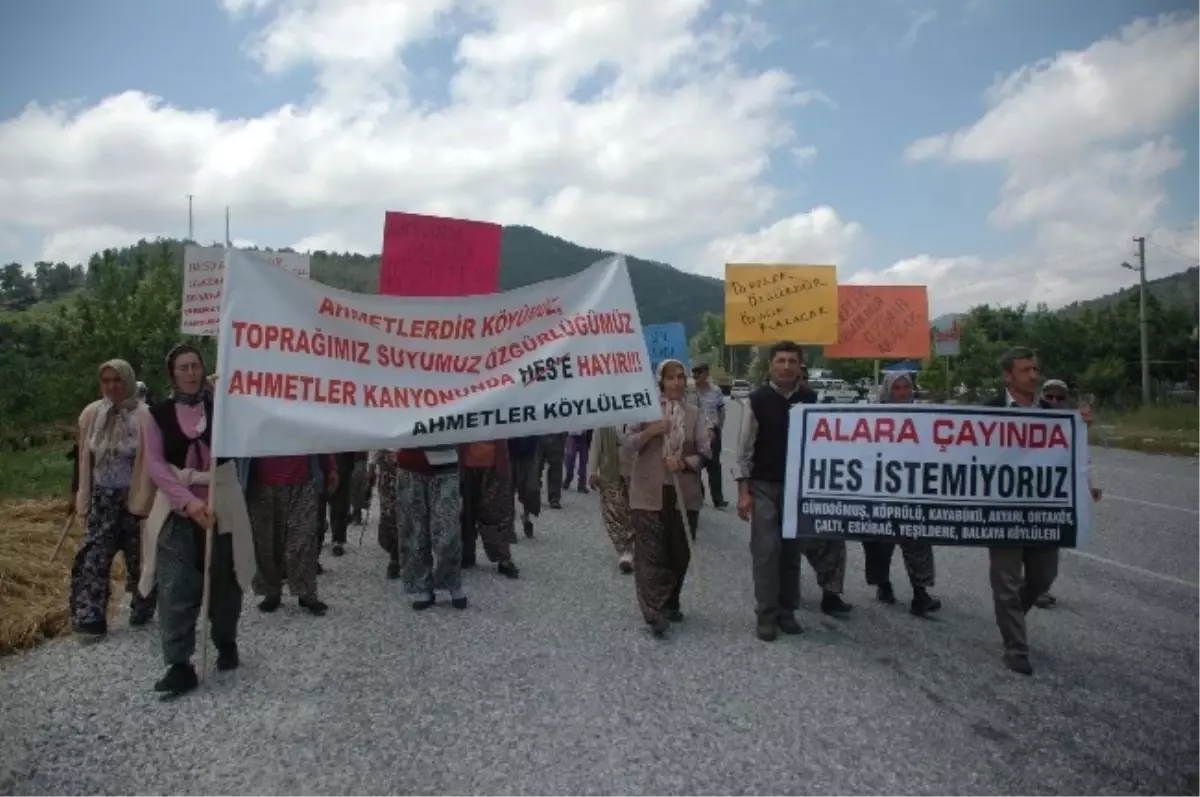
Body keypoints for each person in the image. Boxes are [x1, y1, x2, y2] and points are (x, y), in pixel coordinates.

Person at [139, 344, 253, 699]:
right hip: (177, 507)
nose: (190, 372)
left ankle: (225, 640)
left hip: (222, 502)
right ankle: (179, 664)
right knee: (175, 586)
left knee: (225, 578)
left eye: (195, 366)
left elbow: (246, 435)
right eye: (183, 367)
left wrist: (231, 400)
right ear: (172, 372)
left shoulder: (222, 408)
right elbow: (156, 464)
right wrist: (188, 503)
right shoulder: (155, 415)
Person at [736, 342, 852, 644]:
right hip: (763, 486)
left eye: (792, 361)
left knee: (791, 551)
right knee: (765, 550)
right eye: (780, 360)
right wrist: (742, 492)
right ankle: (766, 613)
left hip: (799, 488)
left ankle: (788, 610)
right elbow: (744, 450)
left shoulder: (811, 401)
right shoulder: (756, 401)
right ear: (771, 364)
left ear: (801, 366)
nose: (786, 366)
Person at [983, 348, 1060, 675]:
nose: (1034, 375)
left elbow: (1070, 459)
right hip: (1001, 511)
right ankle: (1015, 646)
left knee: (1043, 576)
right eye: (1026, 370)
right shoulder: (988, 412)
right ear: (1007, 376)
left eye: (1035, 368)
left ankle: (1012, 615)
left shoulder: (1054, 414)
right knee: (1006, 581)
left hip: (1042, 512)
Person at [622, 359, 710, 638]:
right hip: (648, 491)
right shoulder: (644, 409)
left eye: (680, 377)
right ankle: (653, 611)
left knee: (679, 551)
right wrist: (651, 431)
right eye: (670, 378)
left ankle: (671, 600)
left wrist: (684, 463)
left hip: (683, 493)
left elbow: (706, 452)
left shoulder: (695, 413)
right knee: (650, 553)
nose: (676, 383)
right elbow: (627, 442)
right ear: (660, 381)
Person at [69, 358, 156, 638]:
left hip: (135, 498)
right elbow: (83, 455)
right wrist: (78, 493)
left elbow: (155, 460)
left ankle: (143, 605)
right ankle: (90, 617)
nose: (111, 386)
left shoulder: (144, 416)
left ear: (128, 381)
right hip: (102, 498)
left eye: (117, 380)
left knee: (138, 559)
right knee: (93, 556)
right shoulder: (93, 414)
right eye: (106, 381)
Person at [861, 372, 942, 616]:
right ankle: (883, 584)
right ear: (888, 389)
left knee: (917, 540)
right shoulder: (872, 417)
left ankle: (920, 594)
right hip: (879, 490)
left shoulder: (921, 416)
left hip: (911, 489)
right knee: (877, 544)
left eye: (906, 387)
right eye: (897, 388)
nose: (902, 392)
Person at [1031, 378, 1101, 609]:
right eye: (1049, 397)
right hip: (1030, 493)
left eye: (1059, 398)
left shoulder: (1071, 425)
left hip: (1056, 496)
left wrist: (1091, 484)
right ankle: (1027, 592)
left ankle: (1039, 588)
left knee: (1050, 548)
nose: (1053, 401)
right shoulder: (1027, 418)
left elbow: (1081, 458)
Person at [244, 453, 337, 616]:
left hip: (303, 480)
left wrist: (331, 467)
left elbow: (320, 434)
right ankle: (271, 590)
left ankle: (306, 591)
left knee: (304, 539)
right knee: (265, 542)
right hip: (262, 482)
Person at [395, 445, 467, 611]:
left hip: (446, 465)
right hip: (410, 465)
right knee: (414, 530)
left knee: (447, 531)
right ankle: (422, 586)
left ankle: (452, 581)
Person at [459, 440, 520, 578]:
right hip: (465, 464)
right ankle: (466, 553)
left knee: (495, 511)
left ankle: (502, 557)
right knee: (465, 513)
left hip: (493, 464)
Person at [589, 425, 634, 573]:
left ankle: (637, 546)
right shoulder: (606, 417)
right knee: (613, 511)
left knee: (635, 511)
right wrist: (592, 471)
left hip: (636, 471)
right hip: (610, 472)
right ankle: (624, 549)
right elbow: (596, 443)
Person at [687, 363, 727, 509]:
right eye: (695, 374)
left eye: (701, 374)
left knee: (714, 465)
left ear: (706, 374)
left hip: (714, 432)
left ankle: (718, 500)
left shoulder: (715, 391)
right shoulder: (690, 392)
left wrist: (718, 428)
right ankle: (699, 495)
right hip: (695, 431)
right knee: (695, 464)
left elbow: (721, 411)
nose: (698, 377)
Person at [369, 449, 401, 579]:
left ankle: (406, 556)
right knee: (389, 515)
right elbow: (375, 447)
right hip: (388, 475)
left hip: (411, 468)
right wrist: (371, 469)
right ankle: (395, 557)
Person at [508, 435, 541, 538]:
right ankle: (509, 527)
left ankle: (526, 517)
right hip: (509, 450)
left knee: (531, 488)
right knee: (508, 490)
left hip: (529, 450)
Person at [539, 433, 567, 509]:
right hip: (537, 434)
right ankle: (533, 496)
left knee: (556, 467)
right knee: (535, 468)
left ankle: (554, 498)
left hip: (556, 434)